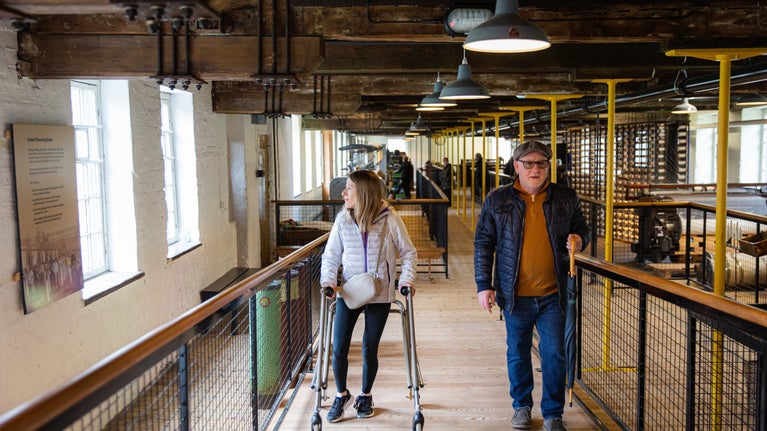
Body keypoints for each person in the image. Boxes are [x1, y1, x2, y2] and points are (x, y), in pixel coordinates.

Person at [473, 141, 591, 431]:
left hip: (555, 294)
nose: (535, 169)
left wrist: (579, 240)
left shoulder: (565, 197)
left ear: (549, 166)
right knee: (517, 352)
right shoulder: (497, 199)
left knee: (554, 354)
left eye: (541, 163)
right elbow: (483, 243)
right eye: (528, 163)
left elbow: (583, 230)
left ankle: (553, 413)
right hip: (515, 295)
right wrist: (482, 285)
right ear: (516, 166)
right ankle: (522, 406)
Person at [320, 169, 417, 423]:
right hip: (350, 291)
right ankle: (342, 395)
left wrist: (406, 280)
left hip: (380, 292)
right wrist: (328, 281)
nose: (344, 192)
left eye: (349, 188)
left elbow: (408, 252)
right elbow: (330, 255)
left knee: (368, 348)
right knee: (339, 347)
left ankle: (365, 395)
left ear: (363, 193)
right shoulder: (342, 220)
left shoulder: (390, 220)